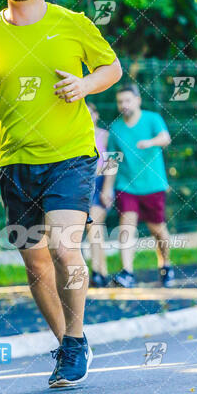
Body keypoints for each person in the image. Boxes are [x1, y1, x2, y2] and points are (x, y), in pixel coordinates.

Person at [0, 0, 122, 387]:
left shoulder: (73, 24)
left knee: (63, 247)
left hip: (70, 156)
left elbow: (113, 69)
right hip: (16, 162)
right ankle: (71, 343)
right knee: (35, 263)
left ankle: (73, 339)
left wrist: (85, 86)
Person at [100, 83, 175, 288]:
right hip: (126, 185)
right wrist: (107, 188)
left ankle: (166, 264)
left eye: (127, 100)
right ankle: (127, 273)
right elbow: (112, 161)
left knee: (157, 229)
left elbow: (165, 138)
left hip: (152, 185)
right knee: (127, 225)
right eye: (120, 101)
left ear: (138, 100)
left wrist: (150, 143)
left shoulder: (152, 119)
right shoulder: (115, 128)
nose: (123, 104)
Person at [86, 103, 110, 287]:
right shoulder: (77, 135)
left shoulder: (104, 135)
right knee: (95, 228)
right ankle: (101, 271)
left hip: (102, 183)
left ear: (96, 114)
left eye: (91, 112)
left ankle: (98, 271)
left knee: (94, 226)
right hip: (83, 184)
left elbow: (113, 160)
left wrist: (108, 187)